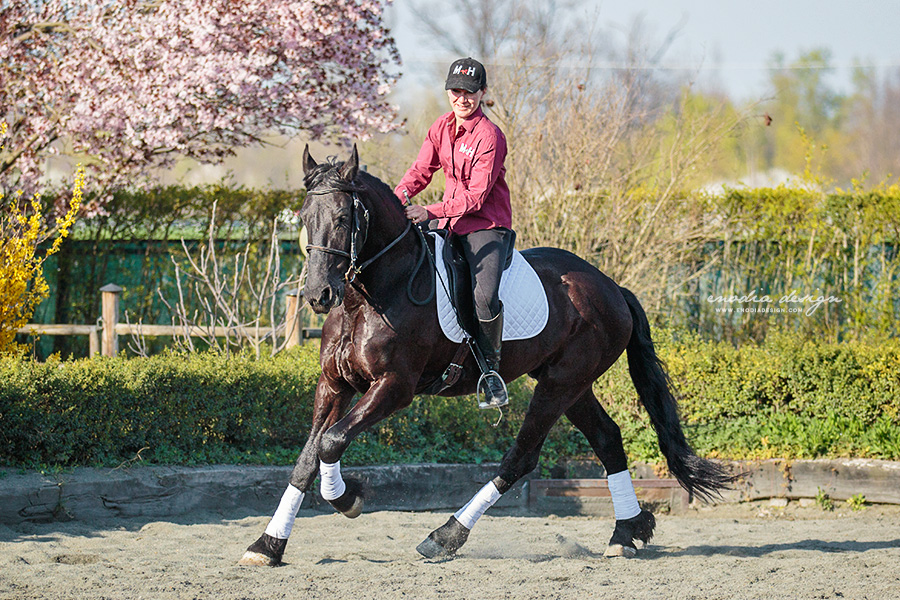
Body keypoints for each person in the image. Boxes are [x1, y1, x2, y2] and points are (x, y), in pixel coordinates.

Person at [394, 57, 513, 409]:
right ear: (448, 92)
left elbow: (476, 197)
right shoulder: (440, 127)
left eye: (470, 92)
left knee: (484, 298)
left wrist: (428, 211)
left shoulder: (490, 136)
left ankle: (491, 374)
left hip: (485, 227)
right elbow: (421, 170)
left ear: (483, 94)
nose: (463, 98)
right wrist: (396, 197)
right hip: (448, 220)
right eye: (457, 91)